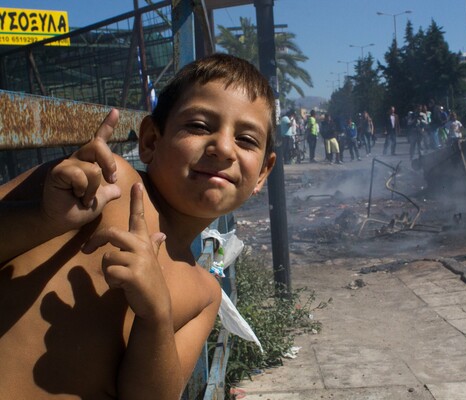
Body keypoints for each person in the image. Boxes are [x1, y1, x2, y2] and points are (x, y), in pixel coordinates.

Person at [0, 53, 276, 399]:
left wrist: (156, 316)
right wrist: (42, 219)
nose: (222, 147)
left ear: (262, 173)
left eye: (246, 140)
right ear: (150, 141)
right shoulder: (102, 182)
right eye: (199, 126)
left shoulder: (204, 294)